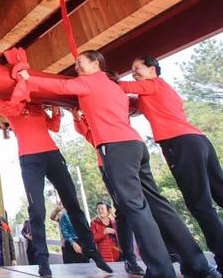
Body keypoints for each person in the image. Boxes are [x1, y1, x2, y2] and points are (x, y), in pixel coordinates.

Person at [19, 50, 218, 278]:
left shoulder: (88, 82)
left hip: (115, 148)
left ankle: (161, 271)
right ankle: (196, 264)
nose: (76, 66)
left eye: (80, 61)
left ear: (95, 63)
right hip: (136, 145)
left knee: (136, 209)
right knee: (159, 206)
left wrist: (27, 77)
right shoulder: (114, 85)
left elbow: (60, 88)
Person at [120, 55, 223, 274]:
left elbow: (121, 86)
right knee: (220, 195)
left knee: (200, 206)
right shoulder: (164, 89)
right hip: (198, 140)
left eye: (137, 68)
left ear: (152, 69)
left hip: (181, 143)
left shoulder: (151, 84)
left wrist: (101, 82)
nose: (134, 72)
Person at [0, 99, 111, 278]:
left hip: (52, 154)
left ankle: (92, 250)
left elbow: (53, 126)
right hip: (30, 160)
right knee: (37, 211)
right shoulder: (2, 103)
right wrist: (23, 80)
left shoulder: (35, 106)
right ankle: (43, 262)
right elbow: (13, 100)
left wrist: (55, 108)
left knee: (73, 203)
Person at [72, 108, 144, 275]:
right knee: (124, 211)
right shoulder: (94, 131)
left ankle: (166, 254)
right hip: (107, 165)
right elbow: (83, 128)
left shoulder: (114, 120)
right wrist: (76, 116)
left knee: (142, 209)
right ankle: (130, 259)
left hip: (130, 160)